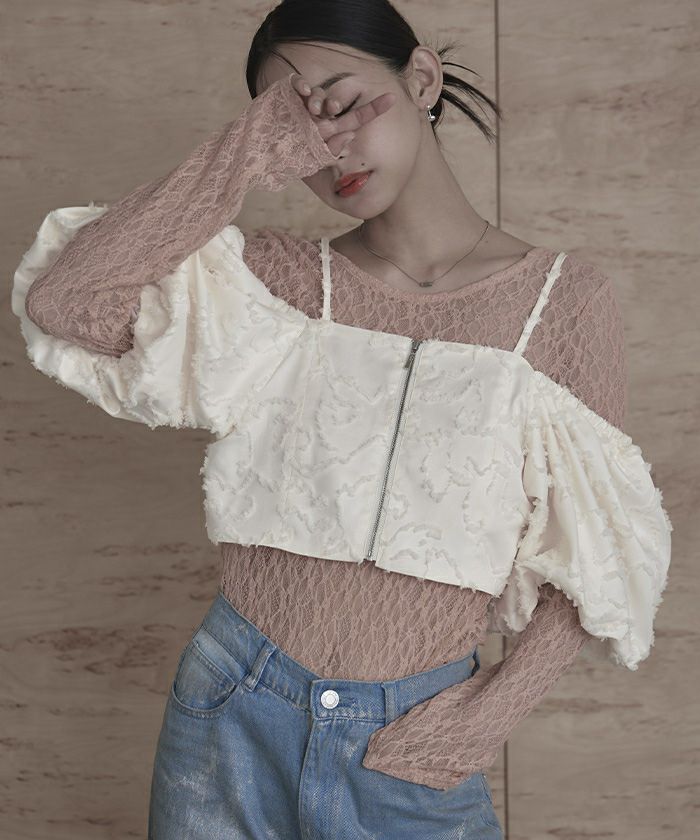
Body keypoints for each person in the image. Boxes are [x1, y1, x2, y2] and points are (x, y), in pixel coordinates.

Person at [11, 1, 672, 838]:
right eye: (296, 124)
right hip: (231, 713)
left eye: (342, 101)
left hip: (410, 739)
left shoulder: (563, 304)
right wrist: (247, 149)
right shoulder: (276, 289)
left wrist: (479, 723)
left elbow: (600, 542)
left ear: (421, 79)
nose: (331, 148)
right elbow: (69, 301)